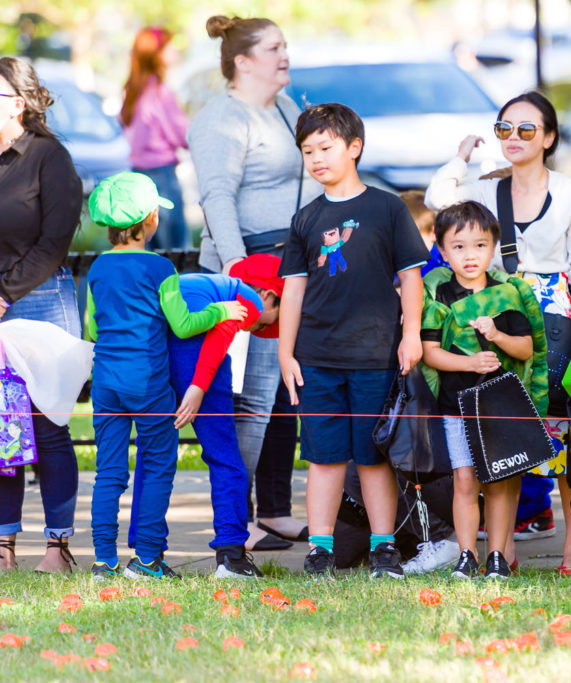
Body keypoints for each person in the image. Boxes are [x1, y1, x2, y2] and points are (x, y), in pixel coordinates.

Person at [425, 90, 571, 575]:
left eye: (527, 129)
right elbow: (438, 201)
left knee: (567, 431)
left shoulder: (570, 193)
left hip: (555, 319)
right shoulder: (483, 190)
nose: (514, 138)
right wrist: (461, 157)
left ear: (548, 137)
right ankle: (504, 546)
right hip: (496, 315)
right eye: (504, 129)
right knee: (501, 427)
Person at [278, 103, 428, 579]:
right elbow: (293, 290)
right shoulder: (305, 219)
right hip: (317, 358)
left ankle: (385, 547)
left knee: (372, 457)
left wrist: (410, 336)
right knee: (323, 458)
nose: (316, 158)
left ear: (354, 148)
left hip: (375, 356)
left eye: (325, 147)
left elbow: (411, 279)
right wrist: (286, 353)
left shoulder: (387, 208)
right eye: (307, 151)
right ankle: (319, 547)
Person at [189, 15, 317, 551]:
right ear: (242, 61)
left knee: (287, 390)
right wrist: (242, 277)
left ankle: (275, 511)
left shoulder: (288, 108)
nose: (284, 54)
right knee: (254, 398)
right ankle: (231, 519)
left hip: (291, 264)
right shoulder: (222, 117)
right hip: (249, 269)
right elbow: (217, 197)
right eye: (273, 48)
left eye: (286, 44)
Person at [84, 172, 246, 580]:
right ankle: (148, 559)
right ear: (152, 219)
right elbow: (184, 324)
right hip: (149, 384)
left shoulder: (98, 269)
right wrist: (221, 312)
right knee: (156, 467)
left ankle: (104, 560)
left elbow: (91, 329)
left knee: (109, 473)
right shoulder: (160, 269)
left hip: (105, 383)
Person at [126, 254, 284, 579]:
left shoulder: (195, 282)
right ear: (269, 295)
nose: (256, 328)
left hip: (153, 346)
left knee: (151, 453)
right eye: (265, 324)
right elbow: (222, 333)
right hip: (195, 355)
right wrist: (199, 386)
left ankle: (146, 556)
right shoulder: (251, 298)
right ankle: (231, 557)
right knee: (225, 456)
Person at [420, 201, 547, 580]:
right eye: (458, 246)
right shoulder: (437, 295)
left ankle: (496, 556)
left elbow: (527, 349)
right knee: (464, 480)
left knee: (499, 480)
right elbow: (430, 353)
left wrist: (497, 336)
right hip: (456, 404)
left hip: (500, 406)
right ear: (442, 252)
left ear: (493, 248)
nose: (470, 255)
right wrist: (469, 363)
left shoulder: (507, 294)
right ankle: (466, 554)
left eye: (479, 245)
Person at [0, 56, 83, 573]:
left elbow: (55, 242)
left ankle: (58, 545)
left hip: (42, 300)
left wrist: (5, 294)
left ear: (21, 104)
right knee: (3, 426)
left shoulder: (51, 158)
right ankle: (3, 544)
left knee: (48, 425)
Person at [121, 26, 190, 250]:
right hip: (162, 177)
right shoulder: (159, 92)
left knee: (147, 245)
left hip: (138, 174)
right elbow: (183, 135)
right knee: (175, 250)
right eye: (168, 46)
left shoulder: (132, 90)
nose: (173, 51)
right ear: (156, 53)